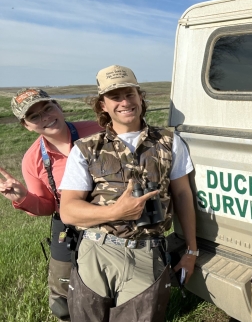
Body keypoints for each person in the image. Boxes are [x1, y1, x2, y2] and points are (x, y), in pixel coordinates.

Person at [59, 64, 197, 322]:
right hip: (95, 252)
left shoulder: (169, 142)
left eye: (130, 94)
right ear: (103, 105)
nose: (124, 102)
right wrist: (116, 212)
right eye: (115, 96)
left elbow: (183, 196)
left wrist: (191, 251)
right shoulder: (87, 149)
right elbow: (68, 211)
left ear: (140, 96)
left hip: (147, 253)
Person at [0, 88, 102, 321]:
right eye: (34, 116)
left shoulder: (97, 130)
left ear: (59, 107)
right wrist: (22, 197)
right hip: (68, 223)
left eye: (48, 108)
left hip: (111, 217)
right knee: (61, 301)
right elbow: (46, 207)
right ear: (26, 125)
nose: (45, 117)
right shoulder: (33, 158)